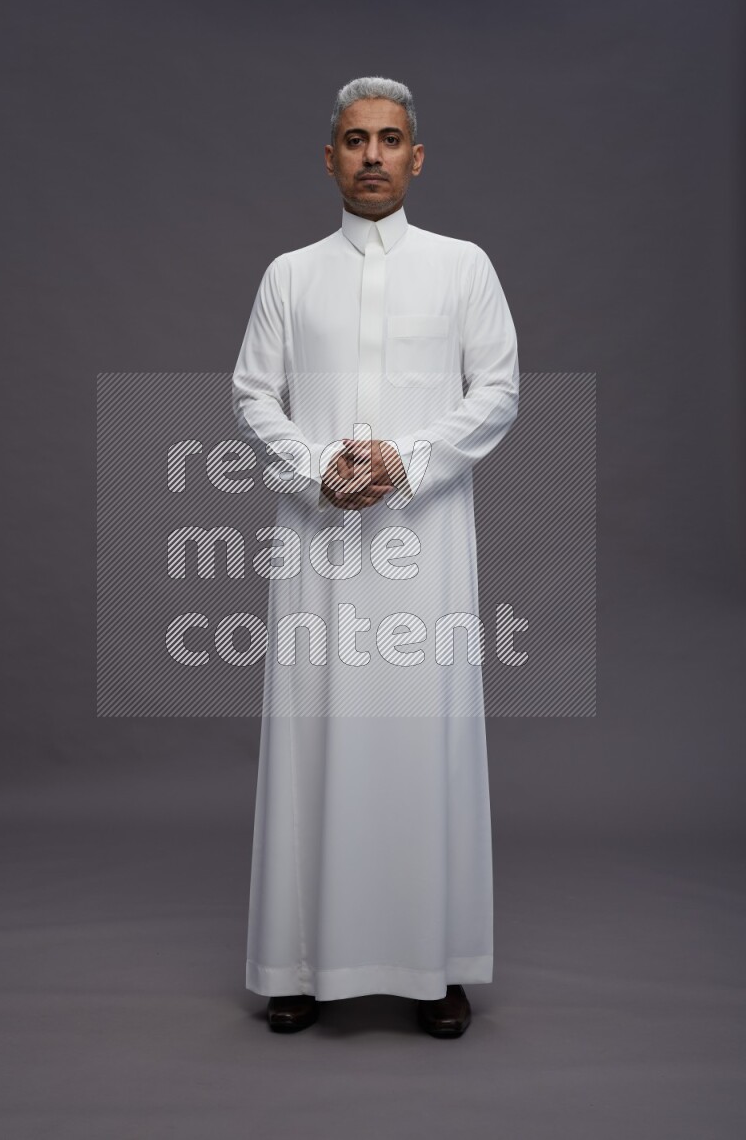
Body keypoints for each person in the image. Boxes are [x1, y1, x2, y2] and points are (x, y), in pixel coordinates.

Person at [231, 76, 519, 1038]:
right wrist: (317, 466)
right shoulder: (289, 275)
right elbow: (252, 394)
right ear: (330, 159)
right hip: (318, 543)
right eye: (355, 140)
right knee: (312, 734)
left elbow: (499, 390)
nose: (372, 156)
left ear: (416, 157)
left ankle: (434, 967)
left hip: (424, 542)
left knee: (424, 738)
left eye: (389, 140)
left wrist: (409, 461)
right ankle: (298, 963)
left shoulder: (463, 267)